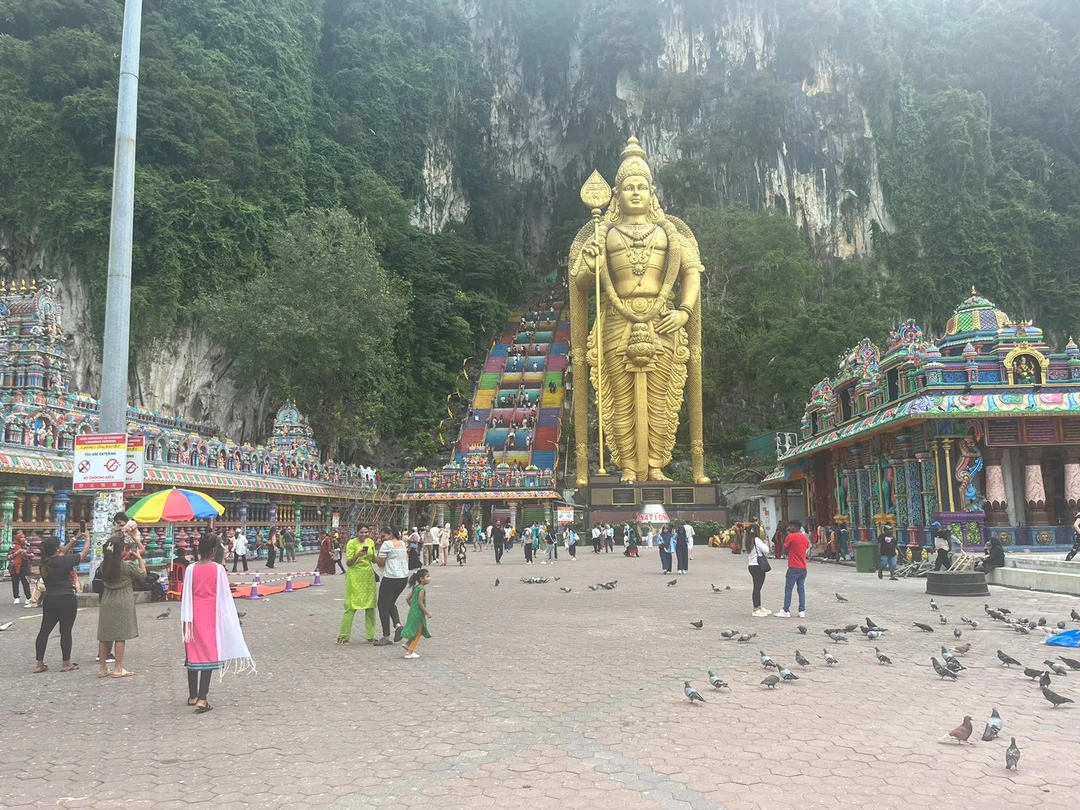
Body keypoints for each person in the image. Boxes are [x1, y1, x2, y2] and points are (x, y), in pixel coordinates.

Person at [182, 533, 254, 713]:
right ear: (214, 551)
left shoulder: (190, 569)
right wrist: (228, 617)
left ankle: (192, 695)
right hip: (211, 615)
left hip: (191, 615)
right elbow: (224, 595)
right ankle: (202, 698)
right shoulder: (218, 569)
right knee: (208, 653)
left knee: (193, 652)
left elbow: (186, 594)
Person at [34, 534, 92, 672]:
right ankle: (66, 663)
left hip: (50, 599)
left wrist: (76, 538)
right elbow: (83, 553)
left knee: (44, 632)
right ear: (56, 548)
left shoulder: (44, 563)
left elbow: (62, 552)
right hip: (66, 599)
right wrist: (87, 538)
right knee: (65, 631)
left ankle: (40, 663)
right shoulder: (64, 560)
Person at [96, 533, 145, 678]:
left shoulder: (103, 565)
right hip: (123, 600)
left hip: (107, 600)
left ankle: (102, 668)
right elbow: (142, 574)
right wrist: (139, 558)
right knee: (120, 636)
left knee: (104, 636)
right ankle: (118, 668)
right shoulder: (127, 566)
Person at [337, 526, 378, 644]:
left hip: (368, 577)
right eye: (361, 532)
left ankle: (371, 636)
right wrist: (358, 555)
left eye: (366, 532)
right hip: (355, 576)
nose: (364, 534)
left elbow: (374, 560)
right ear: (357, 532)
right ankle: (343, 636)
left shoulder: (371, 542)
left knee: (370, 607)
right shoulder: (352, 543)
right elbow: (349, 563)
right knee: (351, 606)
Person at [373, 527, 408, 646]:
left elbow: (380, 563)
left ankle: (386, 636)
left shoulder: (387, 544)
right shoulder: (402, 543)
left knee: (382, 605)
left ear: (390, 534)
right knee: (390, 603)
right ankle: (398, 625)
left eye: (383, 536)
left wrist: (379, 548)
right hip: (403, 578)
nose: (382, 539)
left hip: (390, 578)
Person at [775, 520, 809, 618]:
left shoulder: (790, 536)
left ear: (795, 527)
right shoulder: (804, 537)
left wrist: (789, 552)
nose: (789, 528)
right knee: (801, 589)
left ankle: (786, 610)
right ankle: (801, 611)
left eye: (791, 526)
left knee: (788, 589)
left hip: (793, 567)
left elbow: (783, 550)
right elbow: (806, 547)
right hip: (803, 567)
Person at [401, 568, 433, 659]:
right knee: (418, 632)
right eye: (427, 576)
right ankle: (410, 652)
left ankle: (408, 644)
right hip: (418, 614)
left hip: (413, 613)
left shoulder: (416, 587)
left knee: (416, 630)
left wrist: (412, 607)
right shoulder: (421, 589)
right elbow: (420, 602)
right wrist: (427, 613)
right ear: (421, 579)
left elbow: (407, 598)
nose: (429, 578)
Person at [746, 524, 771, 617]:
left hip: (752, 565)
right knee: (757, 588)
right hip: (758, 566)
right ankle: (756, 608)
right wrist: (766, 543)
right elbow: (766, 550)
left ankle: (759, 606)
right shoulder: (756, 540)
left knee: (757, 587)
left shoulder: (748, 540)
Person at [7, 531, 32, 605]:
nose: (23, 539)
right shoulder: (13, 546)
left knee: (25, 582)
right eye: (21, 537)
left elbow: (32, 554)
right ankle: (16, 597)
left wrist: (26, 554)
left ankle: (28, 597)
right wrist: (16, 553)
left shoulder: (27, 545)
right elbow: (8, 557)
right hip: (14, 567)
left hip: (24, 566)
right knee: (15, 583)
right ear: (18, 538)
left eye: (24, 537)